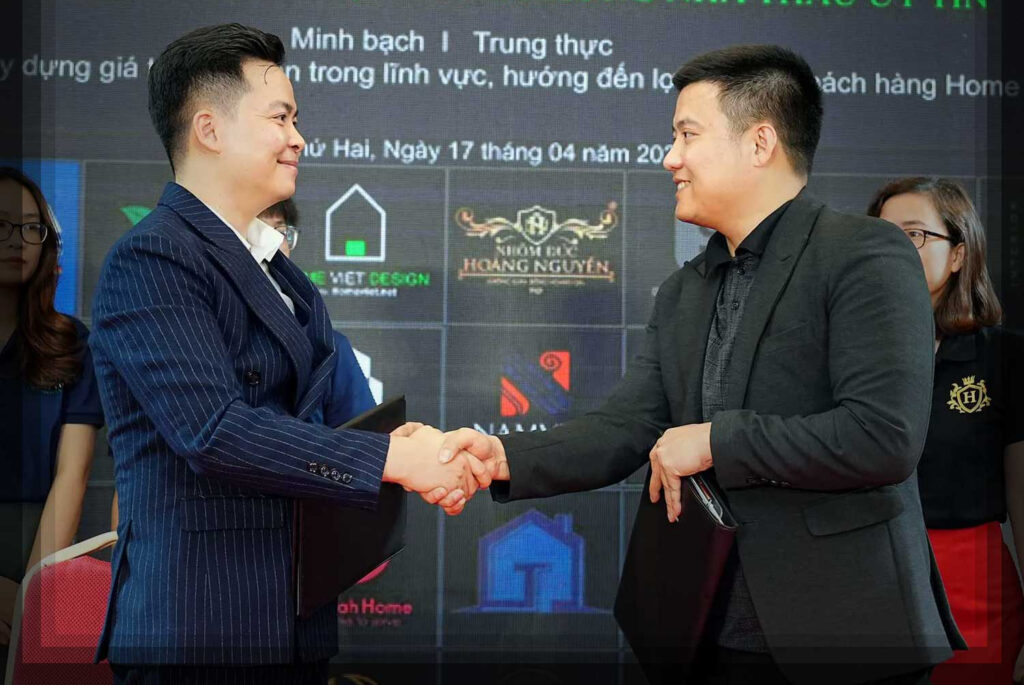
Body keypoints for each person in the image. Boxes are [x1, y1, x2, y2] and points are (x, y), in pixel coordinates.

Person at [434, 45, 965, 684]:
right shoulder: (685, 289)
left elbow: (883, 437)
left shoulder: (864, 254)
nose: (670, 158)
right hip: (710, 630)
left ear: (760, 142)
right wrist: (502, 456)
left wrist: (716, 441)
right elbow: (626, 427)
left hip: (843, 634)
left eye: (687, 134)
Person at [89, 24, 485, 684]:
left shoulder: (277, 267)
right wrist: (390, 459)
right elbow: (213, 431)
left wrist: (398, 445)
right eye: (281, 118)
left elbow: (300, 420)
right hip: (202, 628)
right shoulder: (154, 256)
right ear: (210, 129)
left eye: (295, 119)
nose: (298, 138)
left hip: (292, 615)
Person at [869, 177, 1024, 684]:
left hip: (973, 587)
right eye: (881, 236)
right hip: (869, 582)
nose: (893, 249)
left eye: (914, 235)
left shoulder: (1004, 357)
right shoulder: (847, 354)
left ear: (958, 254)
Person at [0, 167, 103, 667]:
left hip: (41, 549)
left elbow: (72, 475)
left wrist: (30, 594)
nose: (17, 240)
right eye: (1, 225)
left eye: (30, 227)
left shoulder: (71, 343)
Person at [257, 199, 375, 426]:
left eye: (280, 231)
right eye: (257, 229)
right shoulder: (205, 335)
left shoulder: (328, 347)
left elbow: (366, 437)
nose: (271, 244)